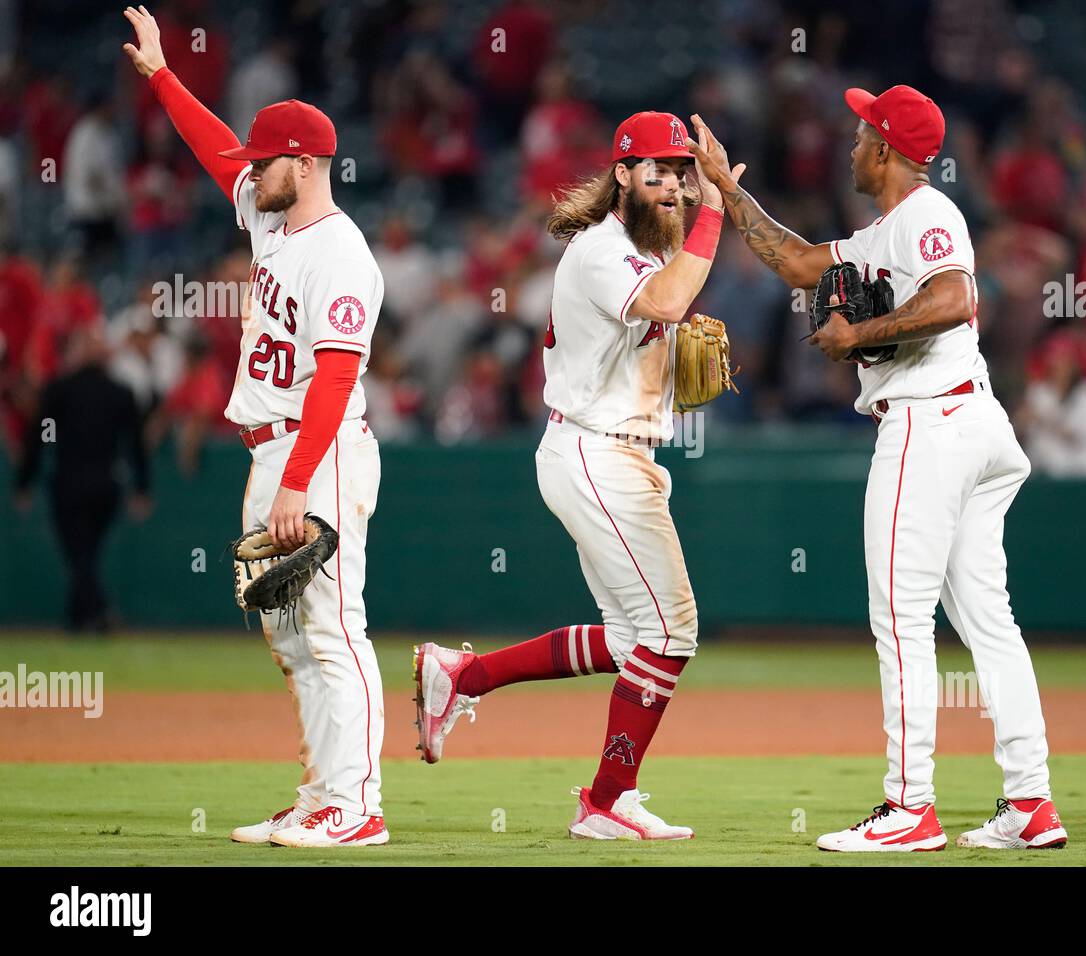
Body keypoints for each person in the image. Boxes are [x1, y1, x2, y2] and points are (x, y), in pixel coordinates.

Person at [692, 86, 1066, 852]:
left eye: (863, 135)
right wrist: (729, 191)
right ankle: (1030, 803)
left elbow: (957, 297)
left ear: (888, 150)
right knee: (989, 624)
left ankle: (909, 807)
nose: (852, 146)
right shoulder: (885, 231)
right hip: (969, 424)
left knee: (900, 621)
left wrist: (859, 328)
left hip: (932, 424)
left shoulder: (928, 213)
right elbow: (798, 263)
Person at [415, 111, 737, 840]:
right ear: (622, 174)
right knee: (673, 633)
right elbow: (665, 304)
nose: (674, 185)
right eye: (657, 169)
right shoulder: (603, 250)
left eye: (682, 173)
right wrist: (716, 208)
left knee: (632, 641)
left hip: (611, 452)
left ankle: (461, 677)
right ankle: (605, 800)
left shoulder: (642, 252)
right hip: (597, 453)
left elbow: (661, 304)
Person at [123, 6, 387, 848]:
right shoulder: (274, 214)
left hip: (323, 448)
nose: (249, 170)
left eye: (264, 160)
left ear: (304, 165)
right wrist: (164, 76)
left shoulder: (342, 254)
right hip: (271, 449)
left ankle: (359, 807)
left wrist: (302, 480)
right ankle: (321, 792)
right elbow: (213, 150)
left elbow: (338, 378)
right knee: (287, 632)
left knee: (335, 624)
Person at [14, 325, 151, 631]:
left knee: (80, 553)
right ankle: (79, 617)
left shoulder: (60, 389)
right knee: (86, 552)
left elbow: (37, 439)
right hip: (105, 485)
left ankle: (98, 610)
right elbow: (135, 444)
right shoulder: (118, 392)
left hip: (69, 485)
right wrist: (141, 487)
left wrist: (24, 482)